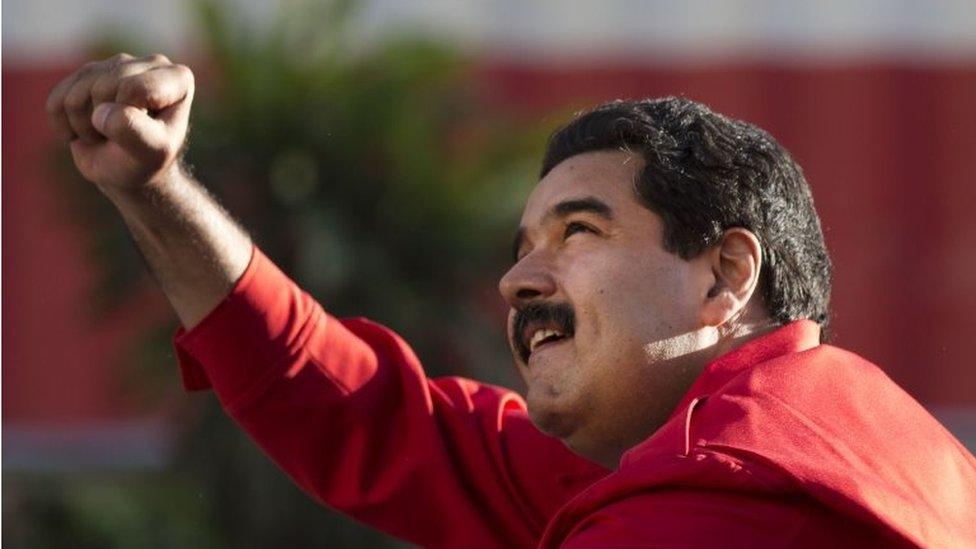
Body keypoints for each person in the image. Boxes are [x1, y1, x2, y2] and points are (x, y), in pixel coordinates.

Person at [46, 53, 976, 548]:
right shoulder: (789, 437)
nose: (517, 281)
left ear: (727, 276)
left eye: (578, 232)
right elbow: (373, 414)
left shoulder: (724, 494)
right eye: (522, 246)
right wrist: (154, 189)